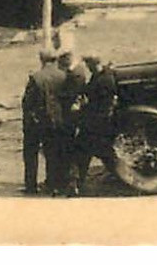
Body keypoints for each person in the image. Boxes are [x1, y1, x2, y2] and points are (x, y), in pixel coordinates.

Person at [45, 48, 88, 196]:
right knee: (69, 151)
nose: (59, 64)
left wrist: (58, 95)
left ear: (67, 59)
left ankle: (71, 183)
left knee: (68, 150)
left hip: (71, 119)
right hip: (73, 118)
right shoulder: (78, 71)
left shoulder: (75, 74)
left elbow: (71, 95)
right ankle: (71, 182)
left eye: (61, 61)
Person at [75, 56, 119, 193]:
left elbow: (101, 103)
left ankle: (78, 184)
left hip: (97, 122)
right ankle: (120, 175)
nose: (87, 67)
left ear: (94, 63)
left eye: (88, 64)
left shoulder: (104, 80)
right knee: (103, 152)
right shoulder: (100, 75)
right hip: (96, 122)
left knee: (85, 151)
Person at [21, 48, 61, 195]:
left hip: (36, 122)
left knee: (31, 153)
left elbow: (27, 102)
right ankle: (52, 184)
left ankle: (31, 186)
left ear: (41, 60)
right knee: (52, 153)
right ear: (55, 60)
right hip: (55, 121)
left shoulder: (36, 77)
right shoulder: (62, 76)